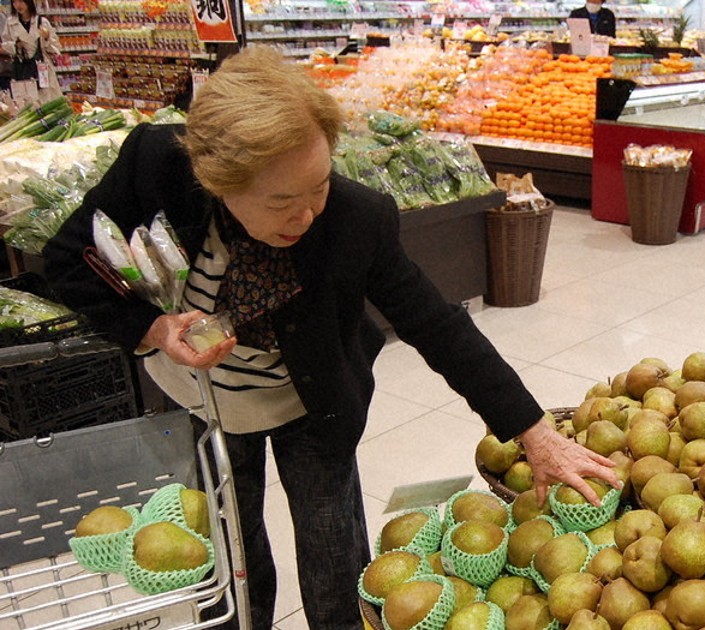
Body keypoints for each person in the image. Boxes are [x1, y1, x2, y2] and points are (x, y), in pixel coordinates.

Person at [43, 47, 618, 630]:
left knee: (332, 554)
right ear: (218, 181)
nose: (307, 214)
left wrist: (535, 432)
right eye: (281, 201)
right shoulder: (155, 164)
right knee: (231, 550)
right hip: (203, 400)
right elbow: (68, 259)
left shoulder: (355, 216)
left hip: (312, 398)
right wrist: (155, 327)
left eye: (317, 185)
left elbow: (436, 324)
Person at [1, 0, 61, 109]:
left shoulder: (41, 21)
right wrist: (15, 45)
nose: (18, 5)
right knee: (26, 104)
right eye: (15, 2)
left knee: (46, 102)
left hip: (41, 66)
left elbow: (56, 47)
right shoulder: (10, 23)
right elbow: (5, 44)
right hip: (21, 67)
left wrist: (47, 37)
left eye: (21, 1)